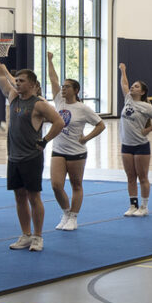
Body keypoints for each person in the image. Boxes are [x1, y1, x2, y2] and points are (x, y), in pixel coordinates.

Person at [0, 51, 63, 249]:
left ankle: (38, 236)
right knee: (19, 197)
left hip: (31, 156)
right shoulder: (14, 97)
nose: (17, 83)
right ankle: (26, 235)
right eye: (17, 80)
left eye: (21, 81)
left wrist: (45, 140)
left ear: (32, 84)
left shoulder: (39, 104)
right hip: (13, 157)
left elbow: (59, 122)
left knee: (34, 196)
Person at [46, 51, 107, 231]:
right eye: (63, 86)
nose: (63, 89)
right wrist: (50, 60)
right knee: (56, 185)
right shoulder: (59, 102)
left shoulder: (82, 108)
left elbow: (101, 125)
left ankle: (74, 217)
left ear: (76, 90)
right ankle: (66, 212)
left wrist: (86, 138)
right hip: (58, 149)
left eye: (67, 87)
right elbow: (53, 79)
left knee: (76, 185)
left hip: (76, 152)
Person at [117, 63, 152, 216]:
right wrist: (123, 70)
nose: (132, 88)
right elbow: (123, 83)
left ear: (143, 91)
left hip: (140, 146)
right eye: (133, 86)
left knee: (142, 177)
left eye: (136, 87)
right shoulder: (128, 100)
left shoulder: (146, 106)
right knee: (130, 177)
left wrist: (148, 130)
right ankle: (133, 205)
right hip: (126, 145)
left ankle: (144, 207)